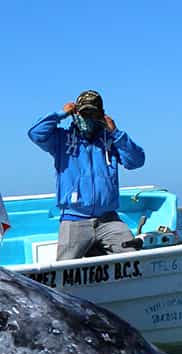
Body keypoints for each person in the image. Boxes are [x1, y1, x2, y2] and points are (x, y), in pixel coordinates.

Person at [27, 89, 145, 261]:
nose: (88, 118)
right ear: (76, 113)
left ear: (101, 115)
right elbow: (35, 133)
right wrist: (62, 113)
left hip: (108, 219)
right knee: (65, 270)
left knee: (132, 258)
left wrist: (116, 133)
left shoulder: (111, 141)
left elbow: (136, 161)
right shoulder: (61, 139)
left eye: (93, 113)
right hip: (74, 219)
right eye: (84, 113)